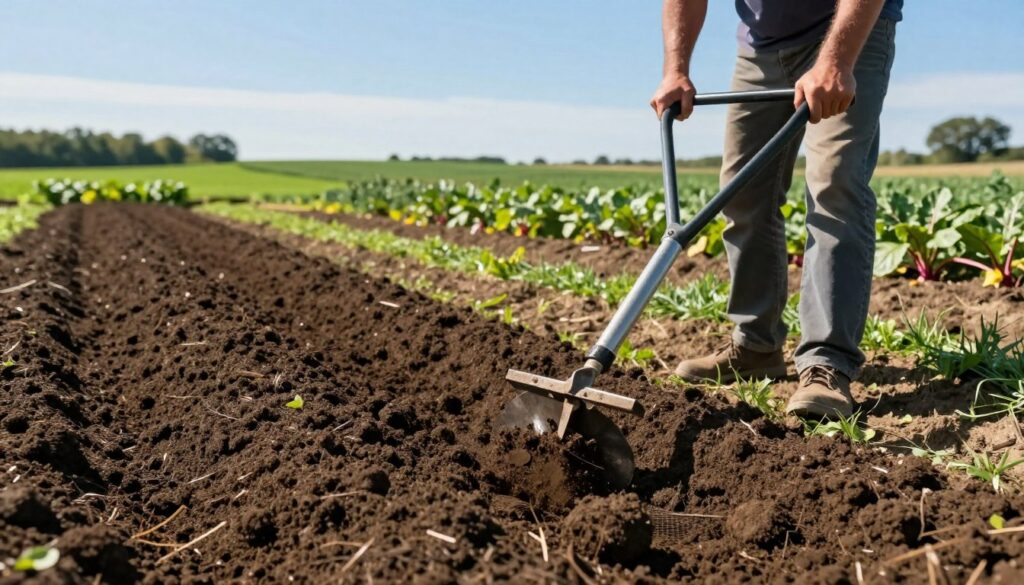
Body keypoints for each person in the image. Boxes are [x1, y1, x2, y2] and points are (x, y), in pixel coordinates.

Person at [650, 0, 901, 418]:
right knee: (742, 189)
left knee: (834, 184)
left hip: (849, 29)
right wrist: (676, 69)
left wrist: (836, 60)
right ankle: (755, 345)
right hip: (762, 44)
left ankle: (826, 364)